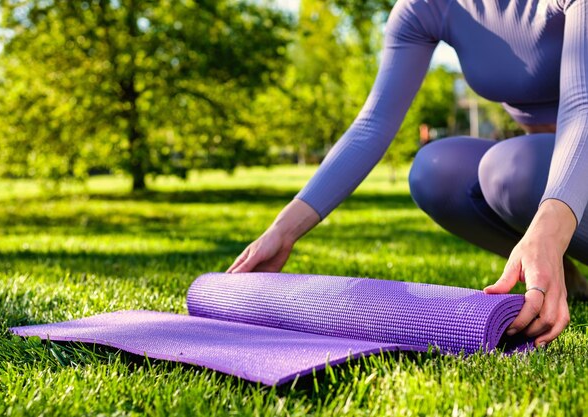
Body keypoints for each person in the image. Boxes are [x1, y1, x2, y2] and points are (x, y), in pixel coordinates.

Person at [227, 0, 588, 348]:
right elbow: (372, 125)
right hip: (549, 182)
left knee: (511, 168)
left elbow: (583, 104)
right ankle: (571, 282)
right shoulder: (425, 8)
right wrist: (282, 231)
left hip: (564, 178)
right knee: (436, 171)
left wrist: (549, 232)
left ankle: (550, 252)